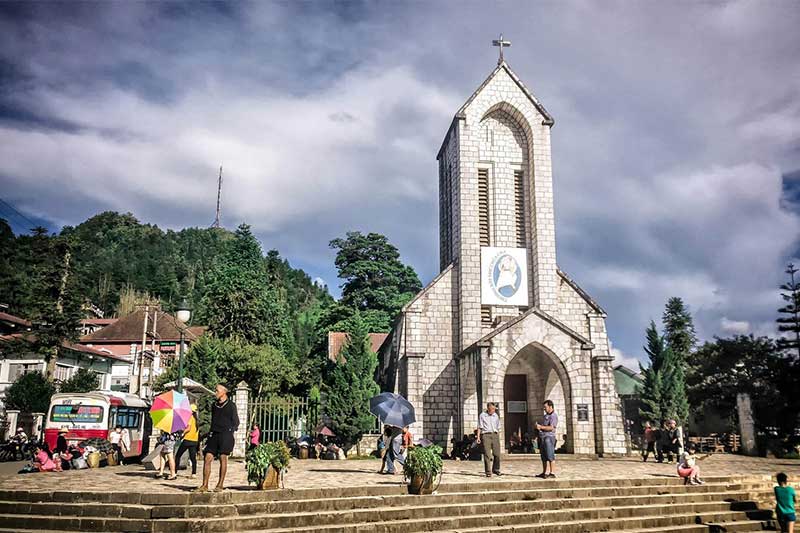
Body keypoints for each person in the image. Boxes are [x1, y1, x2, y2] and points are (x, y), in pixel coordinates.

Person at [196, 383, 239, 492]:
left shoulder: (231, 405)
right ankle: (204, 485)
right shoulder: (214, 405)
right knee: (208, 458)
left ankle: (220, 484)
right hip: (214, 434)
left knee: (222, 458)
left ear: (224, 392)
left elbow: (236, 421)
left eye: (217, 390)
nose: (215, 393)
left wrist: (231, 430)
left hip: (225, 435)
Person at [476, 402, 502, 478]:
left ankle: (496, 469)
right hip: (486, 435)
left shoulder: (496, 416)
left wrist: (497, 435)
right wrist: (478, 437)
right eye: (492, 409)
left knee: (497, 454)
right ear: (488, 408)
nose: (493, 410)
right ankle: (488, 471)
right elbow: (479, 427)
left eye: (494, 409)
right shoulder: (482, 415)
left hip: (495, 435)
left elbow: (498, 426)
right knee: (487, 454)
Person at [535, 399, 558, 479]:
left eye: (545, 407)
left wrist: (541, 427)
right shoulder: (545, 416)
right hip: (543, 437)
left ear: (550, 406)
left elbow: (551, 427)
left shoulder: (553, 416)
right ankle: (544, 472)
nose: (544, 409)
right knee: (544, 456)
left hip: (549, 437)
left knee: (550, 455)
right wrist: (538, 427)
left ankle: (552, 472)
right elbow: (544, 426)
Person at [175, 404, 199, 478]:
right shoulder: (196, 419)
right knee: (193, 457)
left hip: (187, 439)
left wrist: (182, 432)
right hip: (194, 440)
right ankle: (194, 473)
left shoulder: (190, 418)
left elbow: (188, 428)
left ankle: (175, 471)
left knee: (178, 455)